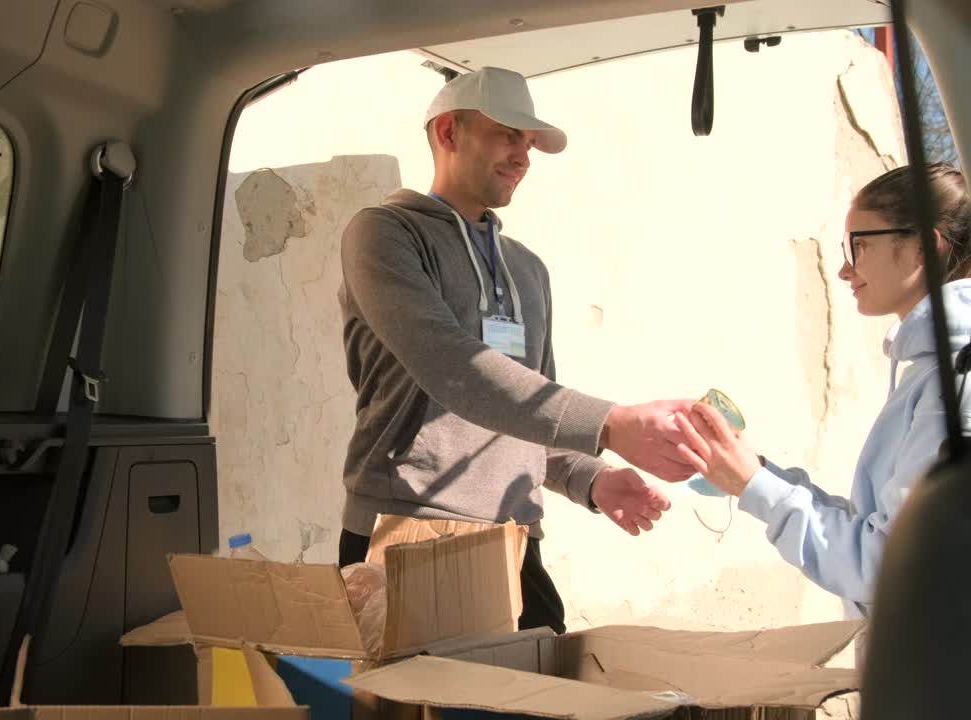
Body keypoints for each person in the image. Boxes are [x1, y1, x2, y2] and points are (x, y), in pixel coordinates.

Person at [336, 67, 703, 634]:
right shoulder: (384, 234)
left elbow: (530, 410)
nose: (523, 157)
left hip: (515, 539)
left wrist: (590, 478)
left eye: (529, 144)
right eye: (508, 135)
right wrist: (611, 423)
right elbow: (454, 368)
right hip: (407, 532)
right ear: (448, 132)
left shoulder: (528, 269)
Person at [675, 162, 971, 662]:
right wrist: (758, 472)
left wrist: (755, 486)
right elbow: (880, 532)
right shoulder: (929, 368)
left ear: (926, 247)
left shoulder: (955, 376)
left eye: (860, 245)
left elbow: (889, 568)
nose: (843, 269)